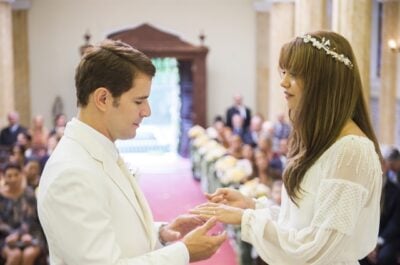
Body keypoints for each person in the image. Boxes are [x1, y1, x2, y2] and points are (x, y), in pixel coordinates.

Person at [191, 31, 383, 265]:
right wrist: (251, 204)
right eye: (284, 72)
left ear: (324, 81)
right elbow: (298, 224)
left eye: (295, 74)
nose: (283, 82)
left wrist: (246, 218)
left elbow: (316, 248)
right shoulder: (323, 141)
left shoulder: (351, 151)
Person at [37, 40, 226, 265]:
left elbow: (113, 230)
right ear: (103, 99)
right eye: (139, 101)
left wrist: (161, 233)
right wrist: (183, 252)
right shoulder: (71, 173)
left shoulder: (98, 150)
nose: (147, 111)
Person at [0, 163, 45, 265]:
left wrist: (22, 235)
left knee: (28, 255)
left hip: (30, 234)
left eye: (16, 175)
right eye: (9, 176)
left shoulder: (29, 193)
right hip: (5, 236)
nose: (13, 179)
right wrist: (12, 235)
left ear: (21, 175)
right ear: (4, 178)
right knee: (14, 256)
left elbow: (31, 218)